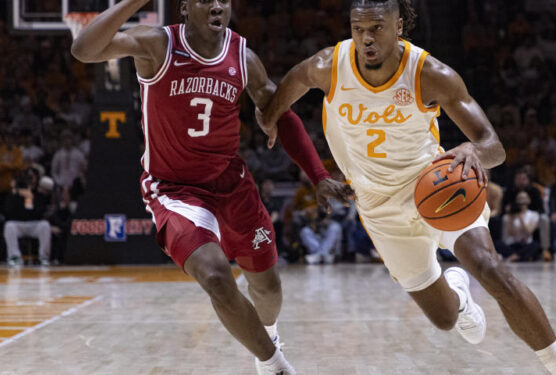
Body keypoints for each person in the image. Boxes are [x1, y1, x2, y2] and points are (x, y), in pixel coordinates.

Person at [261, 1, 556, 374]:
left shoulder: (430, 74)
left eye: (376, 28)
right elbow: (289, 87)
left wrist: (473, 150)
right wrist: (268, 119)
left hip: (435, 183)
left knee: (490, 268)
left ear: (399, 26)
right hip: (378, 207)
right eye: (358, 29)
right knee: (444, 318)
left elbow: (495, 146)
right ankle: (459, 295)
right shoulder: (329, 66)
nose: (366, 39)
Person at [70, 1, 350, 373]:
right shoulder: (157, 45)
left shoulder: (242, 57)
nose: (217, 5)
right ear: (185, 7)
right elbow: (83, 49)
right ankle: (275, 365)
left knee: (267, 289)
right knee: (216, 276)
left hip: (232, 185)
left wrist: (318, 175)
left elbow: (278, 113)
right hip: (174, 190)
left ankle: (267, 336)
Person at [3, 176, 51, 267]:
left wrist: (29, 199)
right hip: (18, 224)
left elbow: (40, 212)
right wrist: (19, 197)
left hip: (34, 224)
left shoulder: (37, 195)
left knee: (45, 225)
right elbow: (9, 211)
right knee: (9, 226)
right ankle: (14, 257)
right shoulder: (13, 196)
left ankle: (43, 257)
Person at [501, 191, 541, 262]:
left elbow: (529, 232)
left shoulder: (534, 215)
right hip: (513, 244)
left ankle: (514, 256)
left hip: (526, 244)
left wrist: (521, 218)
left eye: (524, 198)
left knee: (536, 245)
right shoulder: (508, 216)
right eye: (520, 199)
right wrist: (511, 217)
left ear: (529, 200)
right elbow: (511, 233)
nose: (522, 201)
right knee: (498, 244)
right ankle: (520, 257)